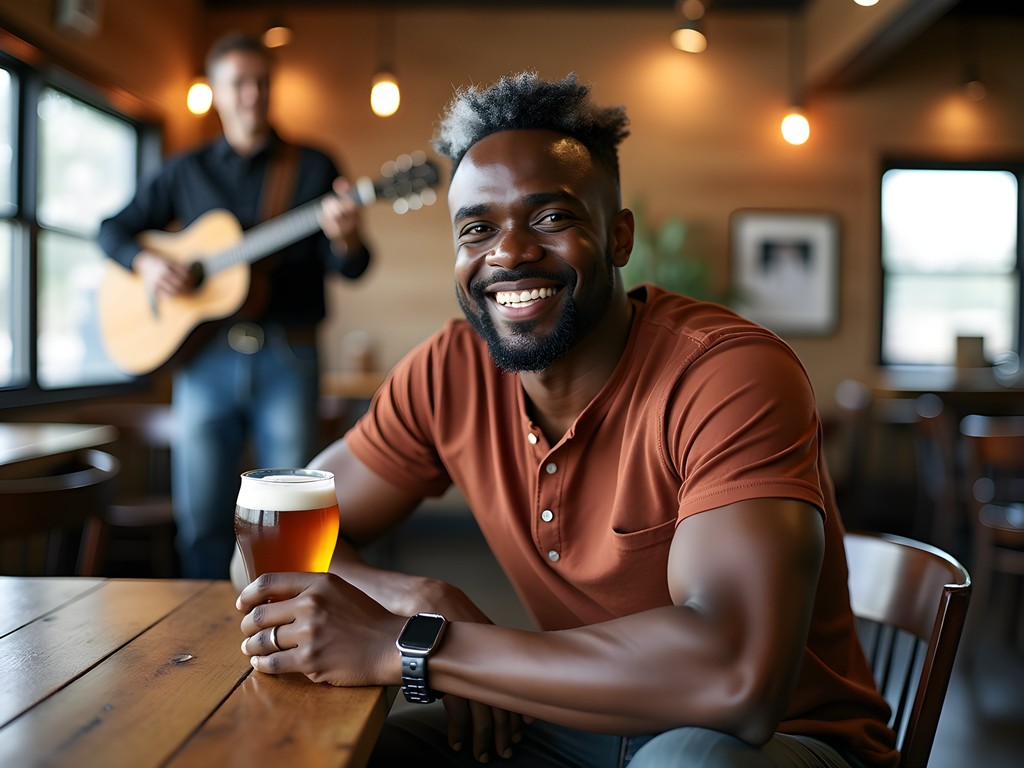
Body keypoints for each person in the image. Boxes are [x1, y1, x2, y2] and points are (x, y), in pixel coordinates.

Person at [234, 72, 897, 767]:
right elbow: (265, 549)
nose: (509, 252)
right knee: (339, 754)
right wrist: (417, 600)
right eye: (477, 229)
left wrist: (414, 646)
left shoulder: (728, 373)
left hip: (775, 741)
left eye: (551, 218)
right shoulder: (448, 371)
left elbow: (735, 680)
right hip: (579, 722)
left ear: (618, 237)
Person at [98, 32, 372, 579]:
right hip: (204, 358)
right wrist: (147, 264)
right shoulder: (185, 169)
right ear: (217, 92)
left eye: (262, 83)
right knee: (201, 519)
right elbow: (112, 230)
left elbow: (352, 267)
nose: (253, 94)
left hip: (288, 356)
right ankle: (203, 626)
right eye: (240, 83)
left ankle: (290, 619)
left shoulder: (313, 166)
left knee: (291, 516)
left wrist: (346, 239)